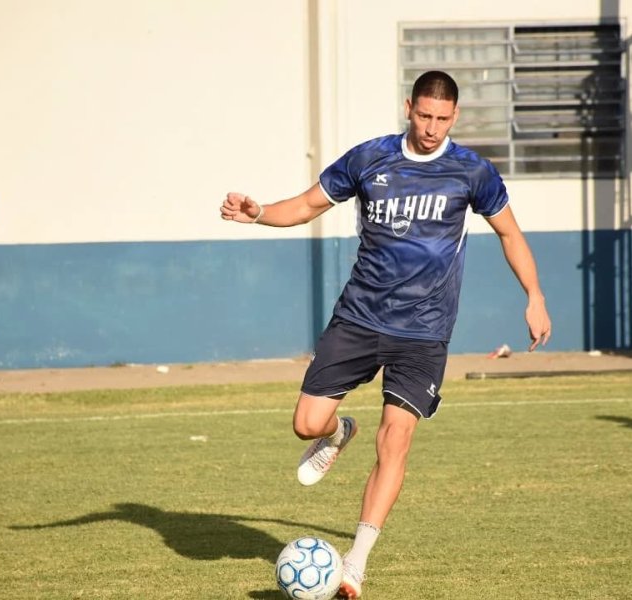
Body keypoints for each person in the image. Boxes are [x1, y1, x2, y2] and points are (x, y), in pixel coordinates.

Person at [220, 71, 551, 598]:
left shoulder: (472, 172)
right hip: (358, 319)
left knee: (394, 440)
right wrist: (259, 213)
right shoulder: (370, 158)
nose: (432, 128)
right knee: (306, 424)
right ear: (408, 107)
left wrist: (533, 294)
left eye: (442, 119)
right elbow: (307, 205)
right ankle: (335, 434)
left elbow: (509, 232)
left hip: (424, 333)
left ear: (455, 117)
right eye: (424, 115)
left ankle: (355, 563)